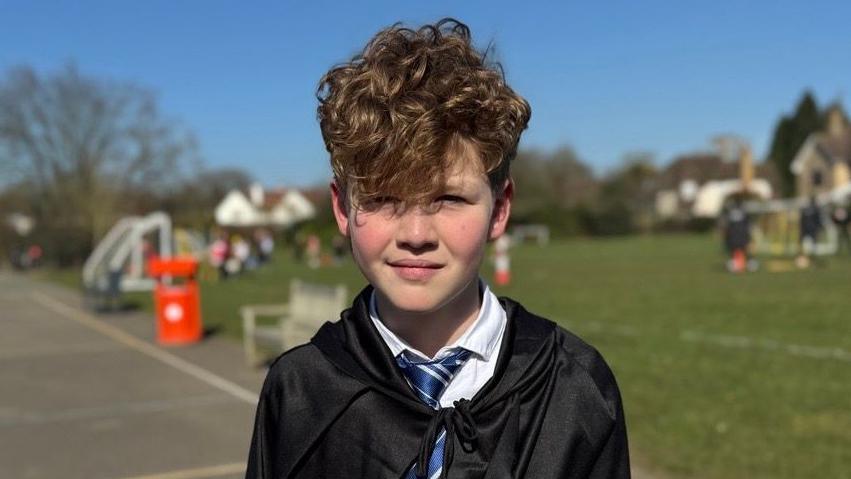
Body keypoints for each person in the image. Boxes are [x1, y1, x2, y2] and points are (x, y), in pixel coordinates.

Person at [246, 19, 629, 478]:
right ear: (342, 208)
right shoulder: (300, 391)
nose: (415, 233)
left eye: (448, 199)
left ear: (500, 208)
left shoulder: (574, 387)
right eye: (383, 198)